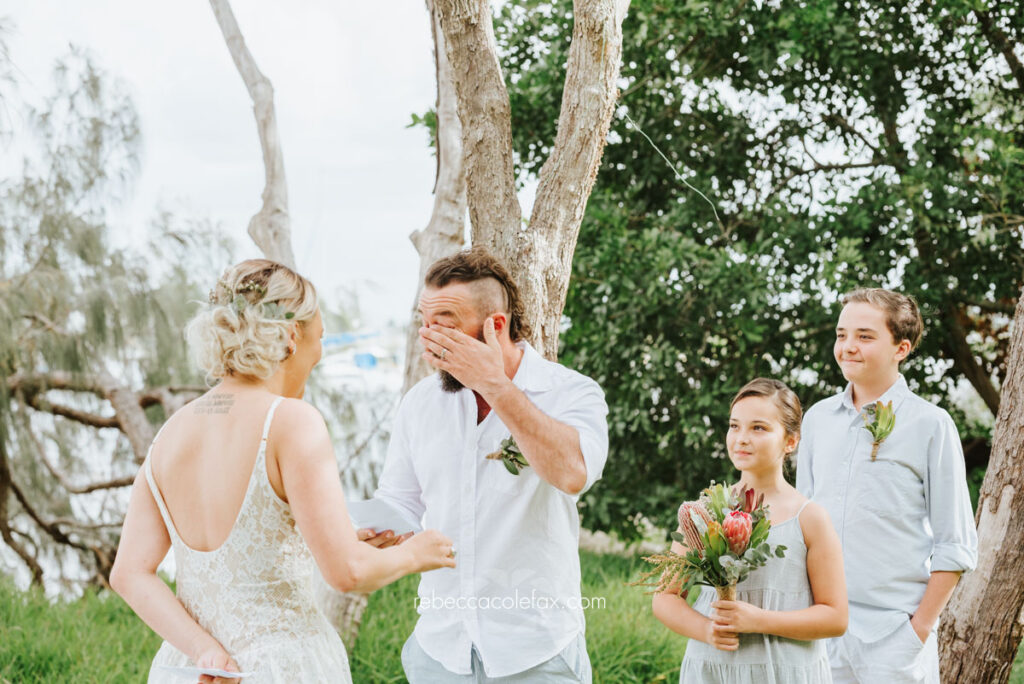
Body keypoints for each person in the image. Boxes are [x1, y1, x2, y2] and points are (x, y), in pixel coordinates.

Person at [110, 259, 455, 684]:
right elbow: (347, 573)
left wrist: (205, 650)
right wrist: (417, 552)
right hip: (281, 667)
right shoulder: (292, 422)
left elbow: (128, 573)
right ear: (292, 338)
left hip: (192, 670)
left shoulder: (169, 433)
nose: (320, 354)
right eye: (320, 338)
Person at [372, 247, 609, 682]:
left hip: (537, 651)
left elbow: (573, 473)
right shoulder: (420, 404)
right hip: (439, 650)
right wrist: (373, 531)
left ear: (494, 325)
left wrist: (495, 385)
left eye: (443, 326)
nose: (428, 340)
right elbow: (401, 500)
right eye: (423, 325)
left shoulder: (572, 393)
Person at [797, 288, 978, 683]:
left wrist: (917, 632)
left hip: (893, 639)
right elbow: (802, 528)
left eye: (864, 336)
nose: (848, 346)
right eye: (842, 334)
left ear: (902, 347)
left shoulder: (931, 425)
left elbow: (956, 544)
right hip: (821, 634)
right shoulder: (816, 420)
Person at [653, 378, 847, 683]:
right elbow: (666, 598)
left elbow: (835, 618)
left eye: (759, 428)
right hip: (714, 670)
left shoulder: (810, 518)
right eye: (734, 426)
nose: (741, 438)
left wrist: (760, 620)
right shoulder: (701, 513)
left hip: (783, 671)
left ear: (791, 441)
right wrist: (706, 629)